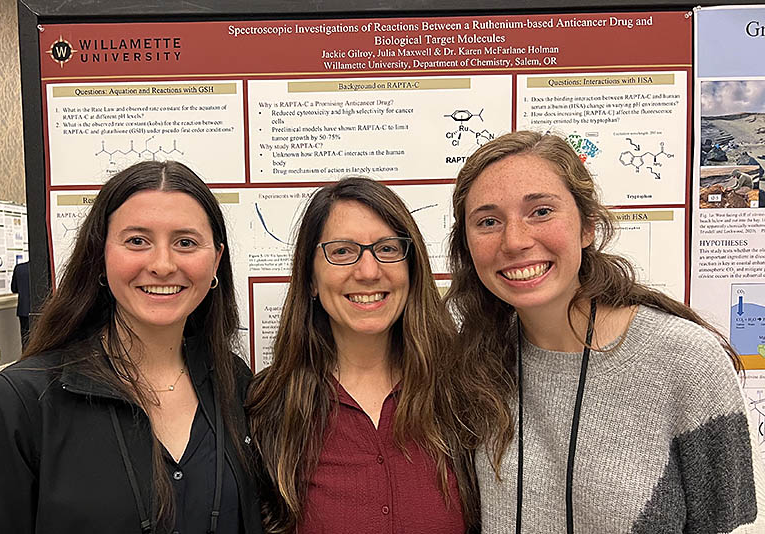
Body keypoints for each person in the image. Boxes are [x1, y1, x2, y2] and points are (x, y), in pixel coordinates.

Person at [445, 130, 765, 533]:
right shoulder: (475, 363)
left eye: (541, 211)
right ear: (468, 246)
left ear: (587, 227)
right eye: (488, 222)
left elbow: (732, 525)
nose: (514, 241)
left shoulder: (686, 362)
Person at [0, 161, 263, 534]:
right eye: (136, 241)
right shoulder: (24, 401)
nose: (162, 265)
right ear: (100, 254)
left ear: (216, 261)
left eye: (185, 242)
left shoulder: (235, 384)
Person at [246, 177, 477, 534]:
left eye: (387, 249)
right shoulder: (271, 408)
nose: (368, 271)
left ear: (411, 268)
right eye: (341, 251)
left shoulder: (463, 394)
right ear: (310, 278)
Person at [10, 260, 30, 348]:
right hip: (40, 308)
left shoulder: (19, 268)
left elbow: (14, 288)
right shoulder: (44, 268)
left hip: (24, 309)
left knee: (25, 339)